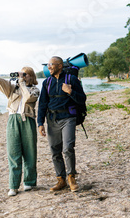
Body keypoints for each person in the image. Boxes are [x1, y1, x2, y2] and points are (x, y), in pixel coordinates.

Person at [0, 67, 40, 196]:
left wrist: (22, 82)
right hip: (13, 119)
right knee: (13, 152)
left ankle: (29, 182)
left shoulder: (35, 90)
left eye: (25, 75)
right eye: (22, 74)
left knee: (30, 152)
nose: (23, 77)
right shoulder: (14, 88)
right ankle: (13, 186)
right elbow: (4, 85)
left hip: (28, 120)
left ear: (31, 76)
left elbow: (28, 97)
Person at [37, 56, 86, 192]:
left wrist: (70, 91)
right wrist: (40, 123)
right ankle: (61, 179)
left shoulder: (72, 80)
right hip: (52, 119)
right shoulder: (46, 83)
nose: (49, 67)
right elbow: (42, 104)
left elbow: (82, 99)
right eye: (48, 65)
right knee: (54, 150)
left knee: (68, 148)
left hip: (68, 118)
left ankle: (71, 177)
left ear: (60, 66)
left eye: (51, 64)